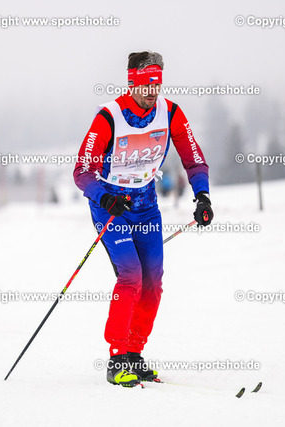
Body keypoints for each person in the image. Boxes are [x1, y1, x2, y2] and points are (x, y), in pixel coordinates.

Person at [73, 51, 214, 387]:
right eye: (146, 85)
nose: (152, 92)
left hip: (146, 206)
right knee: (131, 276)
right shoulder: (109, 117)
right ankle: (117, 359)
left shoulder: (171, 113)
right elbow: (82, 171)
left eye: (157, 84)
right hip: (112, 207)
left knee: (153, 281)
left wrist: (202, 195)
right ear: (132, 83)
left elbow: (193, 158)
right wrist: (104, 197)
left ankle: (134, 355)